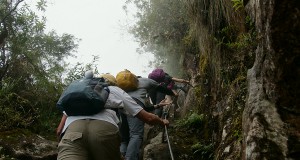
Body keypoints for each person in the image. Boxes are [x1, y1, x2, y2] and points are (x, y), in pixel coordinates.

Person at [56, 72, 169, 160]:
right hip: (104, 131)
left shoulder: (76, 96)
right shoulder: (113, 90)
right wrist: (162, 121)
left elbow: (59, 130)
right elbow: (147, 117)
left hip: (72, 132)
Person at [119, 76, 175, 160]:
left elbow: (144, 108)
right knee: (136, 134)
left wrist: (158, 105)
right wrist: (173, 93)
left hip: (121, 106)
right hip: (135, 104)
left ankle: (122, 155)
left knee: (124, 139)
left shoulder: (123, 87)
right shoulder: (147, 81)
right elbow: (162, 89)